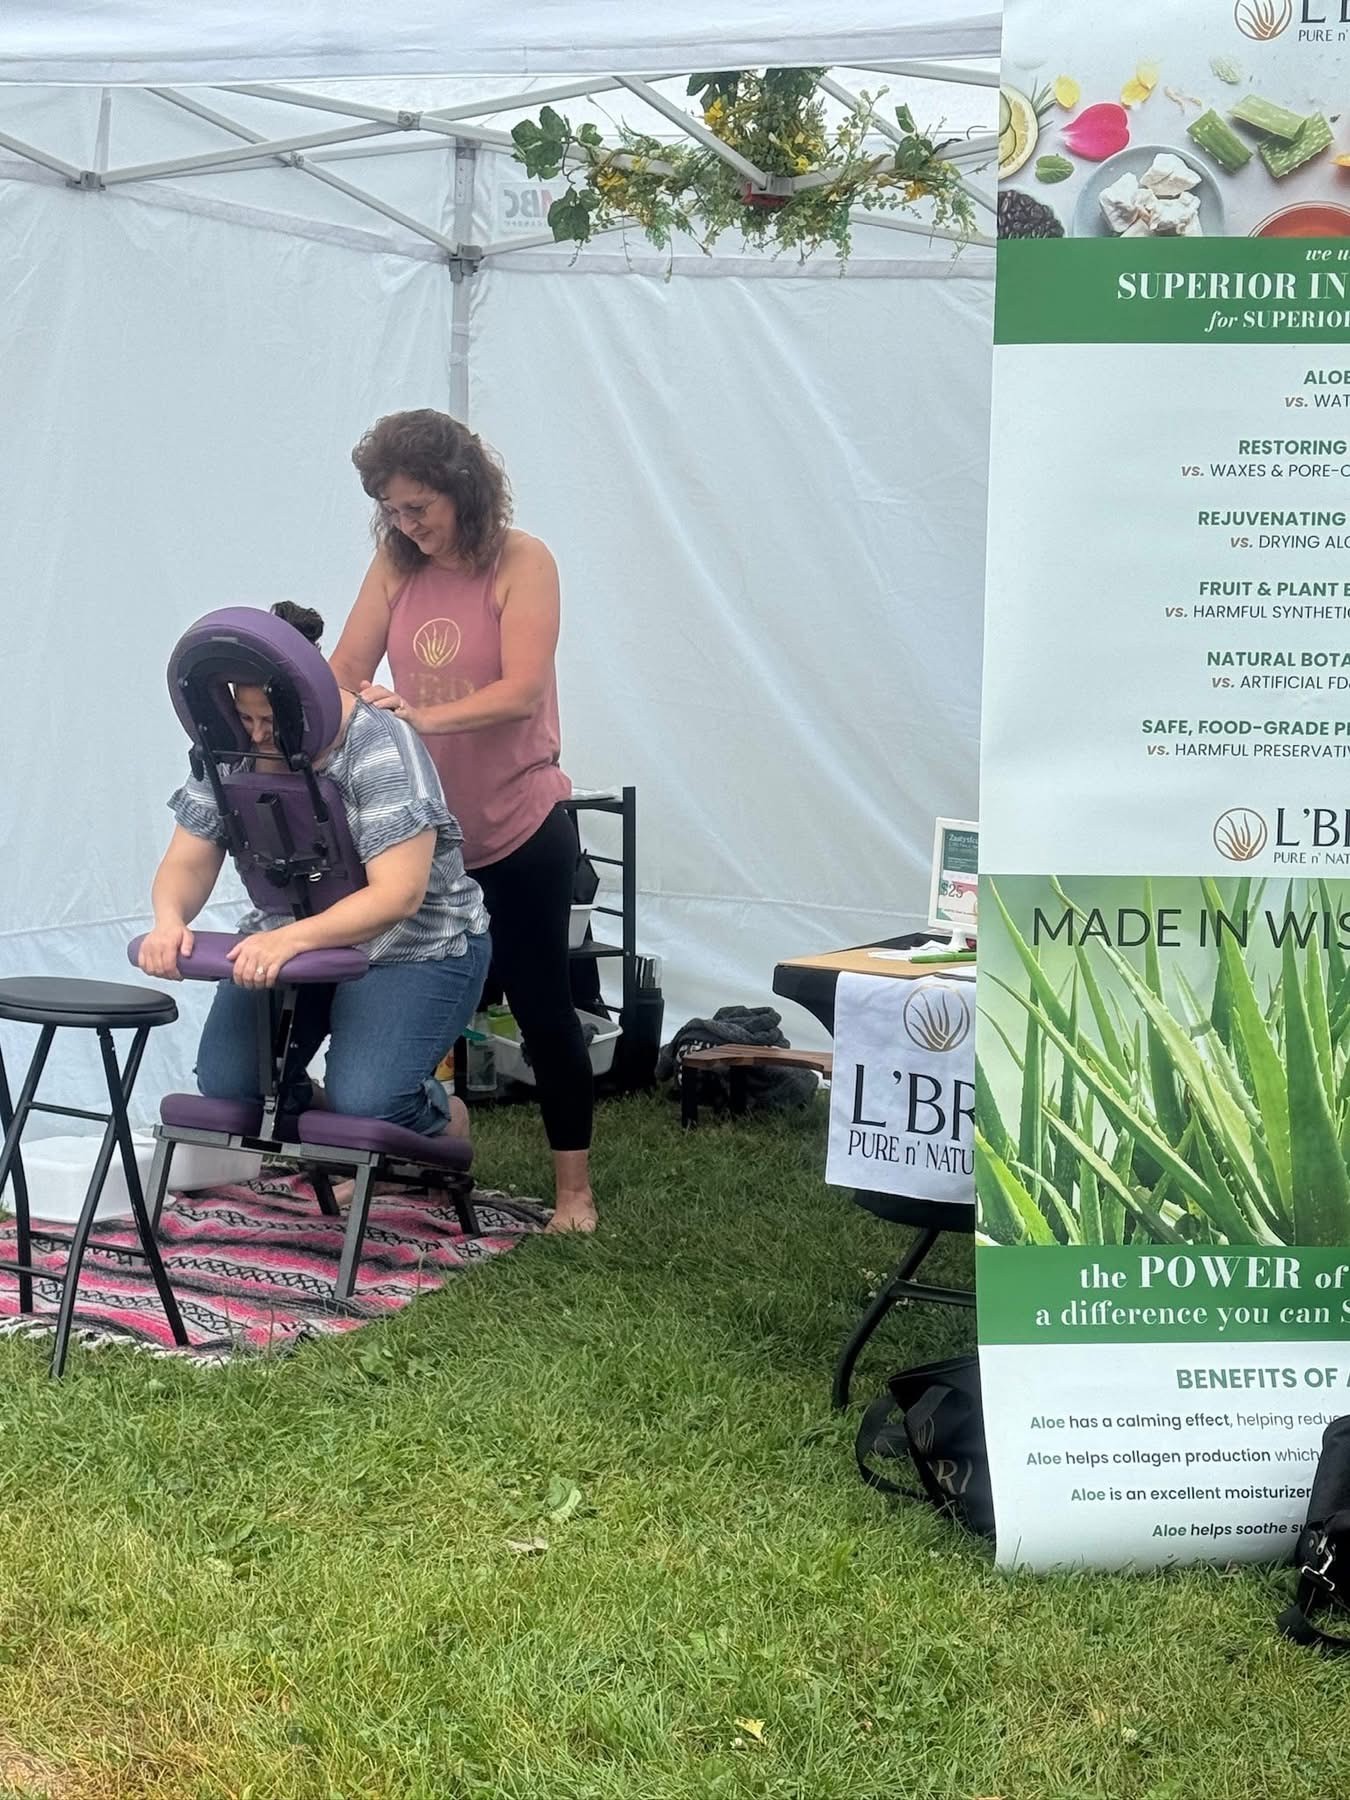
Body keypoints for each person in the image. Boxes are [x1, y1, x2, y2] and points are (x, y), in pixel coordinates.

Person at [329, 409, 597, 1234]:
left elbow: (520, 690)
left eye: (421, 508)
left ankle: (575, 1195)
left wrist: (410, 717)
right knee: (397, 993)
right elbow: (343, 670)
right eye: (394, 511)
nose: (408, 525)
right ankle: (411, 1138)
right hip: (423, 835)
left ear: (464, 489)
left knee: (541, 1001)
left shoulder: (524, 561)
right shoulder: (394, 564)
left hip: (520, 820)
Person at [137, 603, 491, 1141]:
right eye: (246, 718)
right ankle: (338, 1124)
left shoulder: (379, 746)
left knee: (370, 1103)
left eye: (270, 723)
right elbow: (188, 857)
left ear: (308, 704)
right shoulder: (228, 747)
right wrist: (168, 920)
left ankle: (439, 1115)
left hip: (414, 943)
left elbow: (398, 896)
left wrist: (291, 943)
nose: (256, 736)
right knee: (231, 1085)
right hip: (291, 939)